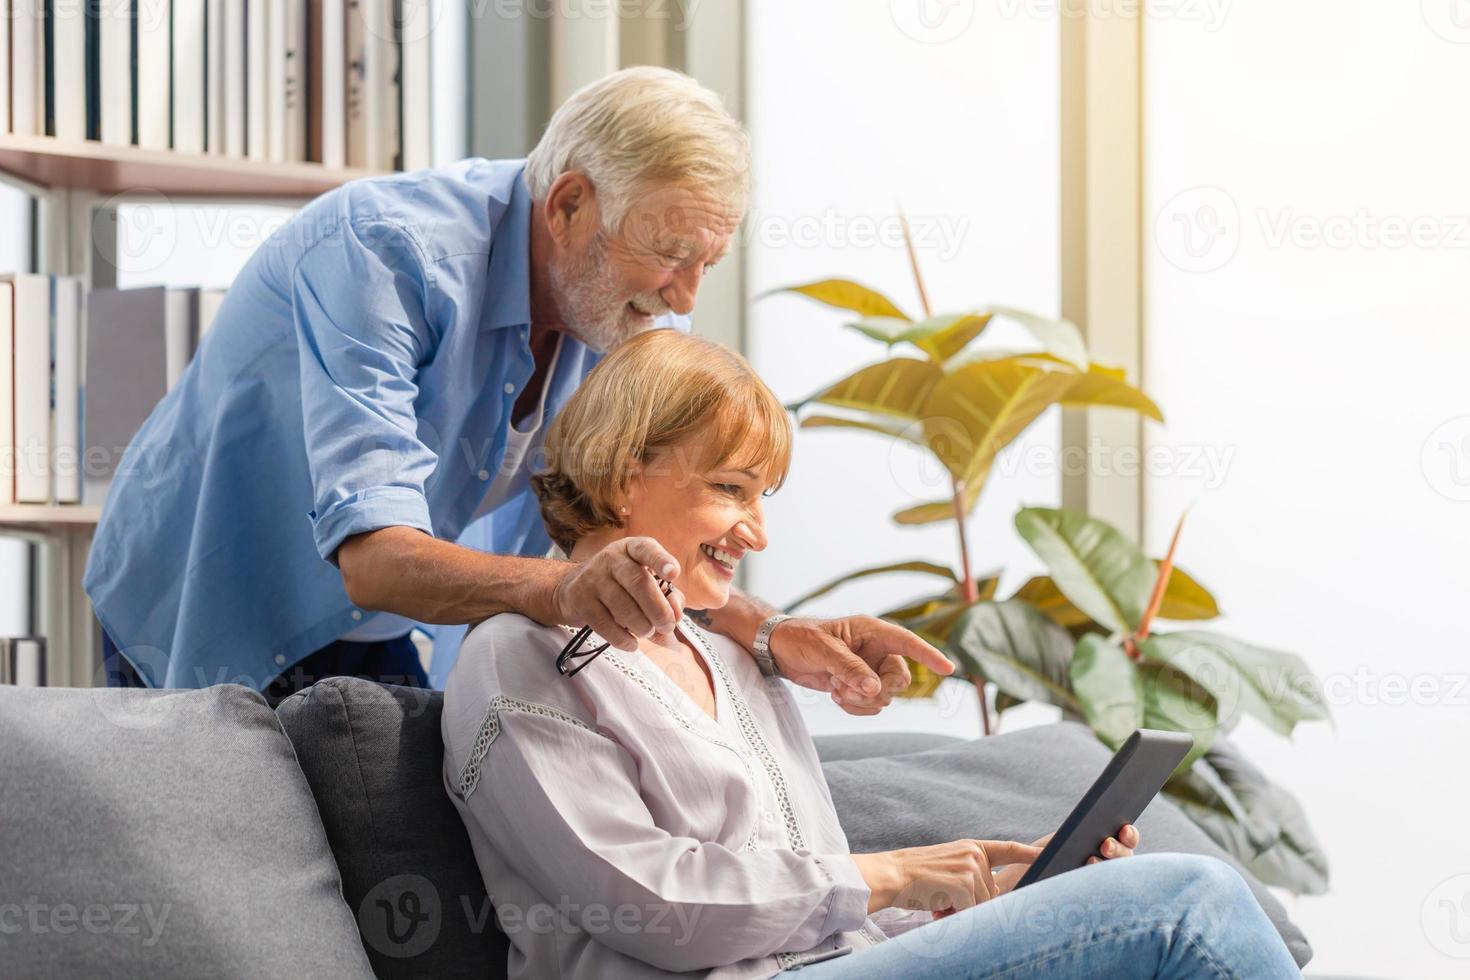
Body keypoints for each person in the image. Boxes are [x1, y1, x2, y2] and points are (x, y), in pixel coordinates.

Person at [441, 330, 1302, 979]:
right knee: (1190, 904)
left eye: (762, 496)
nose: (758, 530)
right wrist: (894, 873)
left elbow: (821, 923)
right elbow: (652, 903)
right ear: (627, 475)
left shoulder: (738, 661)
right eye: (730, 490)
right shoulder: (519, 659)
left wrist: (976, 896)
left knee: (1131, 899)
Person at [83, 67, 949, 707]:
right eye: (667, 256)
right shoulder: (379, 253)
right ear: (568, 204)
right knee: (225, 889)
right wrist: (562, 590)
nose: (682, 301)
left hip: (384, 622)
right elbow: (377, 558)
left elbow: (637, 541)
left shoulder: (631, 318)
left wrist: (767, 631)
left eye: (704, 266)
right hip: (203, 597)